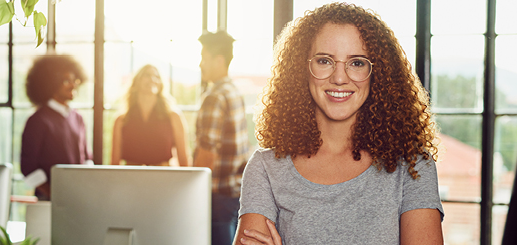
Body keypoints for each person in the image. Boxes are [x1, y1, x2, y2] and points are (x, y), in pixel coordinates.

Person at [234, 3, 444, 245]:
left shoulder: (413, 166)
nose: (340, 78)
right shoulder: (266, 168)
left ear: (379, 73)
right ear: (302, 68)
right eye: (324, 61)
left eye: (357, 63)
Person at [195, 30, 251, 245]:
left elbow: (207, 154)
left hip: (216, 196)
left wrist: (192, 196)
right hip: (234, 193)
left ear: (219, 61)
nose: (200, 64)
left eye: (203, 58)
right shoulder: (233, 92)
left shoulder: (215, 97)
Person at [21, 54, 92, 201]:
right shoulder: (38, 120)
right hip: (49, 201)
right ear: (50, 83)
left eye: (75, 80)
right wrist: (54, 194)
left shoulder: (77, 118)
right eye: (66, 81)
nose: (73, 85)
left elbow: (86, 158)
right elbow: (28, 167)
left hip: (78, 196)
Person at [111, 64, 190, 167]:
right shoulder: (121, 120)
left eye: (157, 77)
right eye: (147, 75)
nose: (152, 79)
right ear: (135, 83)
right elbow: (114, 163)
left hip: (164, 179)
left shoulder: (174, 117)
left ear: (161, 85)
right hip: (131, 180)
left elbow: (184, 160)